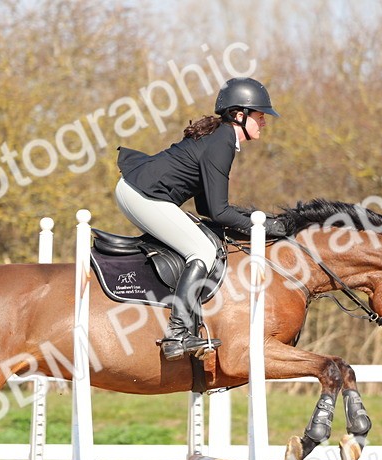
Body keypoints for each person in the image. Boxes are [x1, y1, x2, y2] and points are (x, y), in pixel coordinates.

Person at [115, 76, 284, 360]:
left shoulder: (220, 138)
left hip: (137, 191)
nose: (265, 121)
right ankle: (177, 334)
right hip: (142, 194)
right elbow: (219, 212)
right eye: (260, 115)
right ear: (239, 115)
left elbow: (207, 208)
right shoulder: (223, 142)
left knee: (203, 240)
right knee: (203, 250)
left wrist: (258, 218)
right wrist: (263, 227)